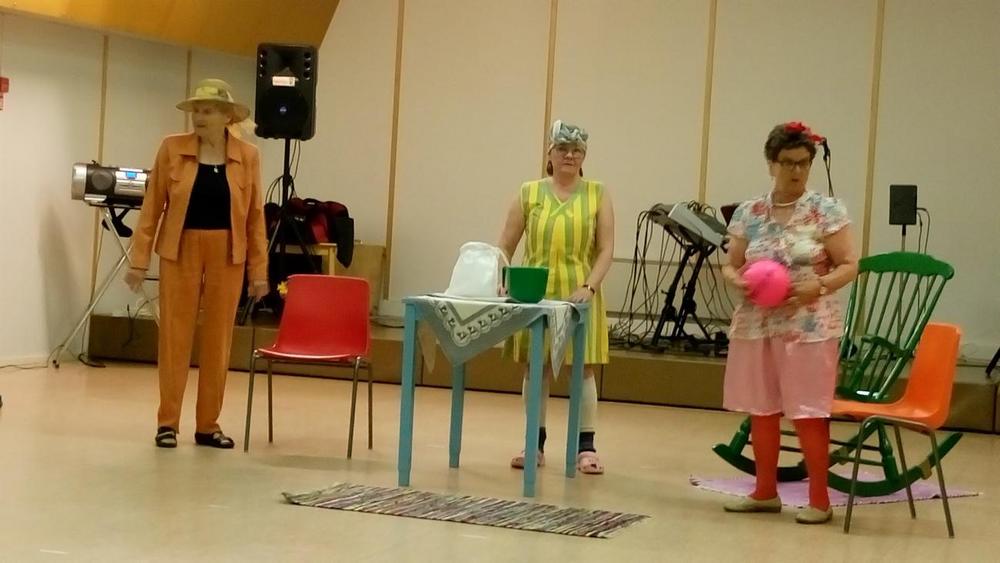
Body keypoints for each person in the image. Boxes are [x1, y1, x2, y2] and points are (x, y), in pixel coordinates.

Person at [720, 121, 858, 524]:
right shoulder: (750, 212)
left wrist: (819, 285)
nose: (796, 171)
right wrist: (737, 281)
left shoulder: (826, 211)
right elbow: (730, 264)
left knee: (808, 411)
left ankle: (819, 500)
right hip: (756, 323)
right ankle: (765, 492)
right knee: (761, 409)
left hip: (808, 327)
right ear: (771, 164)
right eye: (787, 163)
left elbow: (850, 264)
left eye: (803, 163)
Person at [125, 79, 269, 449]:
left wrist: (259, 272)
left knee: (218, 339)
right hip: (180, 247)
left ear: (226, 116)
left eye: (207, 111)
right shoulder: (172, 148)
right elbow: (152, 207)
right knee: (175, 335)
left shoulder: (247, 156)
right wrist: (139, 260)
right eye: (196, 111)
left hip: (228, 252)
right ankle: (167, 423)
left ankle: (208, 425)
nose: (199, 117)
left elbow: (255, 217)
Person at [498, 120, 614, 474]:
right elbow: (505, 246)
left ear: (584, 156)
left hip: (580, 295)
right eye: (562, 148)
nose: (569, 155)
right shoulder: (529, 192)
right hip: (535, 294)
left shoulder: (597, 194)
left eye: (577, 150)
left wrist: (589, 287)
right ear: (549, 153)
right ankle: (533, 443)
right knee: (537, 367)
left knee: (583, 369)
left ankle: (586, 447)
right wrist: (503, 279)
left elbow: (606, 249)